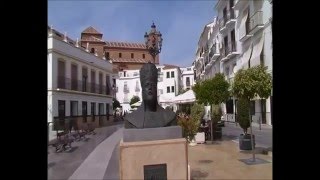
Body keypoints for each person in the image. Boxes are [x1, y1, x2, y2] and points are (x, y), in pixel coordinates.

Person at [124, 62, 177, 128]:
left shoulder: (170, 117)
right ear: (142, 89)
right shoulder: (131, 120)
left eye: (153, 85)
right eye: (147, 85)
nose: (150, 88)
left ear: (156, 89)